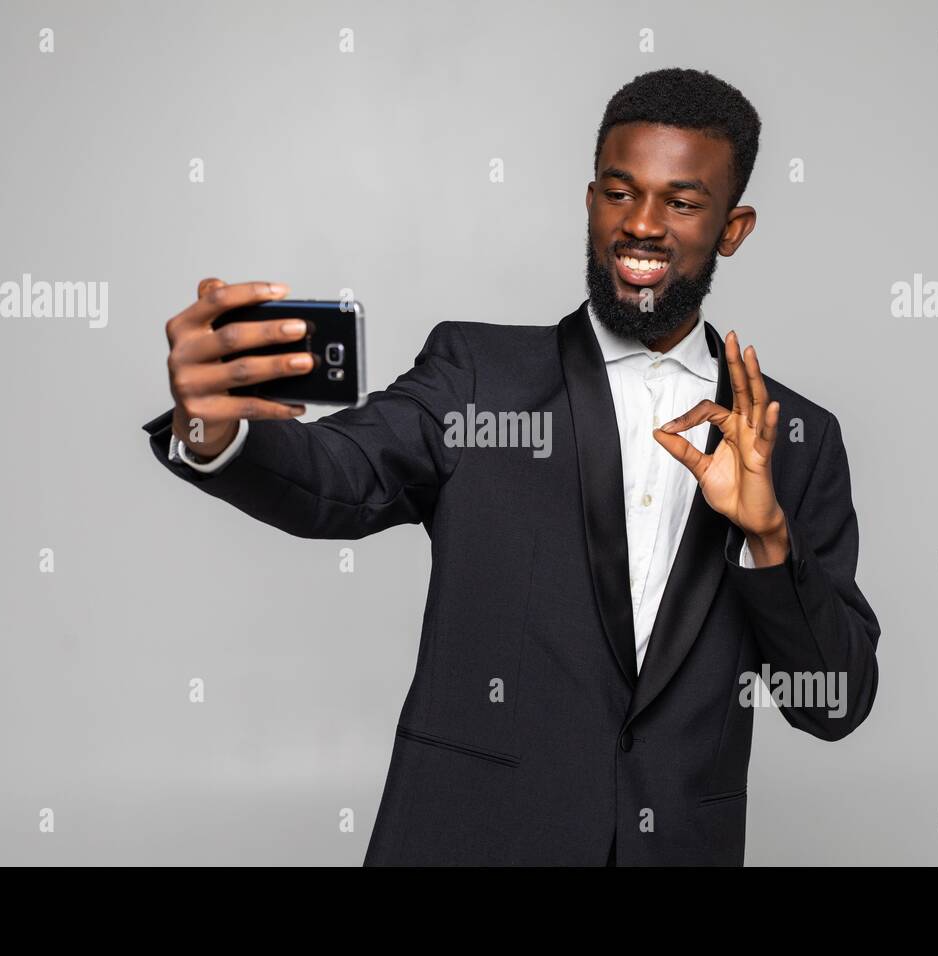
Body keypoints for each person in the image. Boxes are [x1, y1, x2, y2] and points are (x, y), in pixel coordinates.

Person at [142, 67, 881, 866]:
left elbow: (833, 703)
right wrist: (215, 432)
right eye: (619, 192)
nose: (642, 225)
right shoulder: (476, 374)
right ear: (590, 199)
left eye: (682, 202)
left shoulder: (796, 438)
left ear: (732, 228)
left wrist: (767, 536)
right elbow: (340, 474)